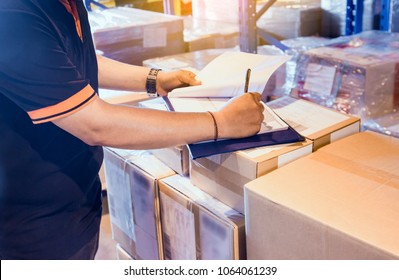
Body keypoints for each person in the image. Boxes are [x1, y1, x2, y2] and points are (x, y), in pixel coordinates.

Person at [0, 0, 264, 260]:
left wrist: (154, 79)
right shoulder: (11, 13)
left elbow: (65, 62)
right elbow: (96, 123)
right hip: (27, 224)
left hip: (74, 198)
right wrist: (220, 123)